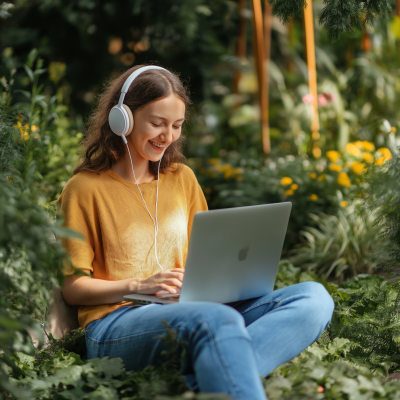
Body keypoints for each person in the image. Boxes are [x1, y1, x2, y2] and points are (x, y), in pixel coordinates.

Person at [58, 65, 334, 400]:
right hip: (117, 325)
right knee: (215, 319)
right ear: (123, 119)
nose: (168, 136)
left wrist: (219, 280)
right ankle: (222, 370)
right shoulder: (84, 189)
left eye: (176, 125)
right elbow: (73, 288)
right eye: (157, 123)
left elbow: (204, 258)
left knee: (313, 299)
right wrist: (139, 286)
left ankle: (210, 374)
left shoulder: (182, 179)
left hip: (193, 311)